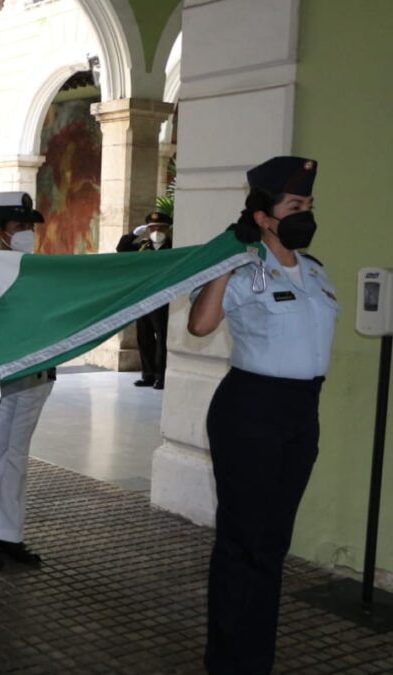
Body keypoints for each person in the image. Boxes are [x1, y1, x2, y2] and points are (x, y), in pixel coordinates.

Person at [188, 156, 336, 675]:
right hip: (250, 409)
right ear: (264, 214)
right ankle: (227, 661)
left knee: (273, 544)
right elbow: (201, 326)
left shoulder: (315, 272)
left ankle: (257, 658)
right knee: (241, 542)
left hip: (301, 412)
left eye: (310, 205)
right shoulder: (243, 268)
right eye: (296, 205)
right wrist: (228, 258)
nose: (307, 214)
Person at [0, 191, 54, 569]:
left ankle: (9, 535)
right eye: (19, 226)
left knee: (16, 458)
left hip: (33, 375)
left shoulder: (40, 268)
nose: (26, 233)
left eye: (29, 226)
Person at [116, 210, 174, 389]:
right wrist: (133, 234)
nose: (156, 231)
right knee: (144, 337)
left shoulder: (173, 247)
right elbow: (121, 249)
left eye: (160, 228)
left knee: (162, 339)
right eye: (152, 228)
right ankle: (147, 374)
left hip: (162, 299)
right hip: (143, 298)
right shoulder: (142, 246)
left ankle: (160, 376)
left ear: (168, 229)